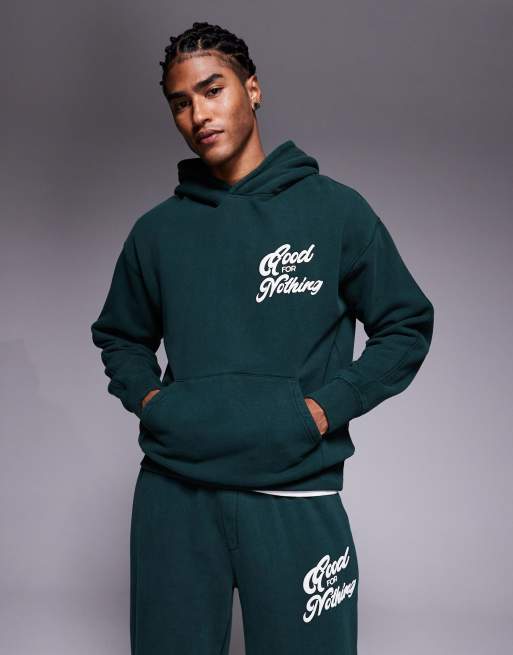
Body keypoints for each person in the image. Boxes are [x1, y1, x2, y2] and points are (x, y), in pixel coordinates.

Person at [90, 21, 434, 655]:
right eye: (180, 103)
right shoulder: (156, 233)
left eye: (212, 90)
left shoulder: (336, 212)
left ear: (252, 89)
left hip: (295, 490)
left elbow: (406, 324)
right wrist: (153, 402)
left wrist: (323, 409)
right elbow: (120, 337)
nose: (198, 114)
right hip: (176, 493)